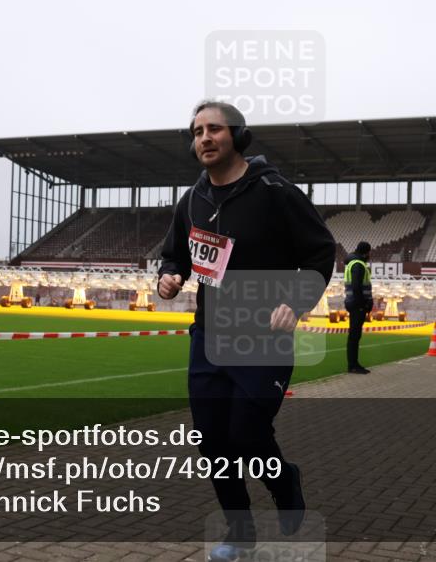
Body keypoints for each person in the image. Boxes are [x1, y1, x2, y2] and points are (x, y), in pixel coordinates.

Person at [157, 101, 336, 561]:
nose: (204, 138)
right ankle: (239, 534)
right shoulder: (193, 199)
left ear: (238, 135)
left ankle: (284, 481)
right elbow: (175, 253)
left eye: (214, 129)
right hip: (209, 338)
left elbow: (319, 253)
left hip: (264, 339)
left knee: (247, 434)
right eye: (197, 132)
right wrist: (171, 277)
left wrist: (296, 303)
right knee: (214, 443)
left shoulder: (275, 191)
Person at [343, 241, 373, 374]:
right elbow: (356, 287)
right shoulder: (358, 265)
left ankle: (353, 364)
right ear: (366, 252)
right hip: (357, 304)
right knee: (355, 335)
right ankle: (353, 365)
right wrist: (364, 304)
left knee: (354, 335)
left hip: (353, 302)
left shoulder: (352, 263)